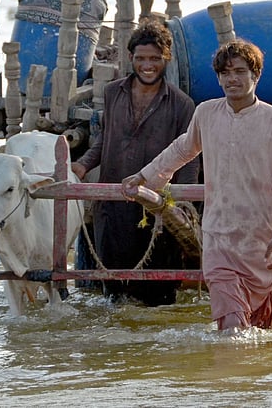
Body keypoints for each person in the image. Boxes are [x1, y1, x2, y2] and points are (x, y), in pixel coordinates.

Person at [122, 40, 272, 330]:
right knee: (231, 327)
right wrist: (144, 176)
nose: (232, 79)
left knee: (263, 330)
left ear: (255, 75)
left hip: (262, 239)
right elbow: (183, 148)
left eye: (240, 72)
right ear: (218, 78)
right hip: (219, 237)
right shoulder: (206, 113)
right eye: (225, 73)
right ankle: (225, 371)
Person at [72, 20, 199, 306]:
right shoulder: (113, 93)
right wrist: (82, 165)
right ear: (130, 59)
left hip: (157, 213)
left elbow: (189, 157)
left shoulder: (182, 105)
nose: (147, 65)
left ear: (166, 59)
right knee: (114, 298)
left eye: (155, 58)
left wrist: (183, 205)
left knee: (157, 299)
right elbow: (105, 139)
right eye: (141, 58)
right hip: (114, 206)